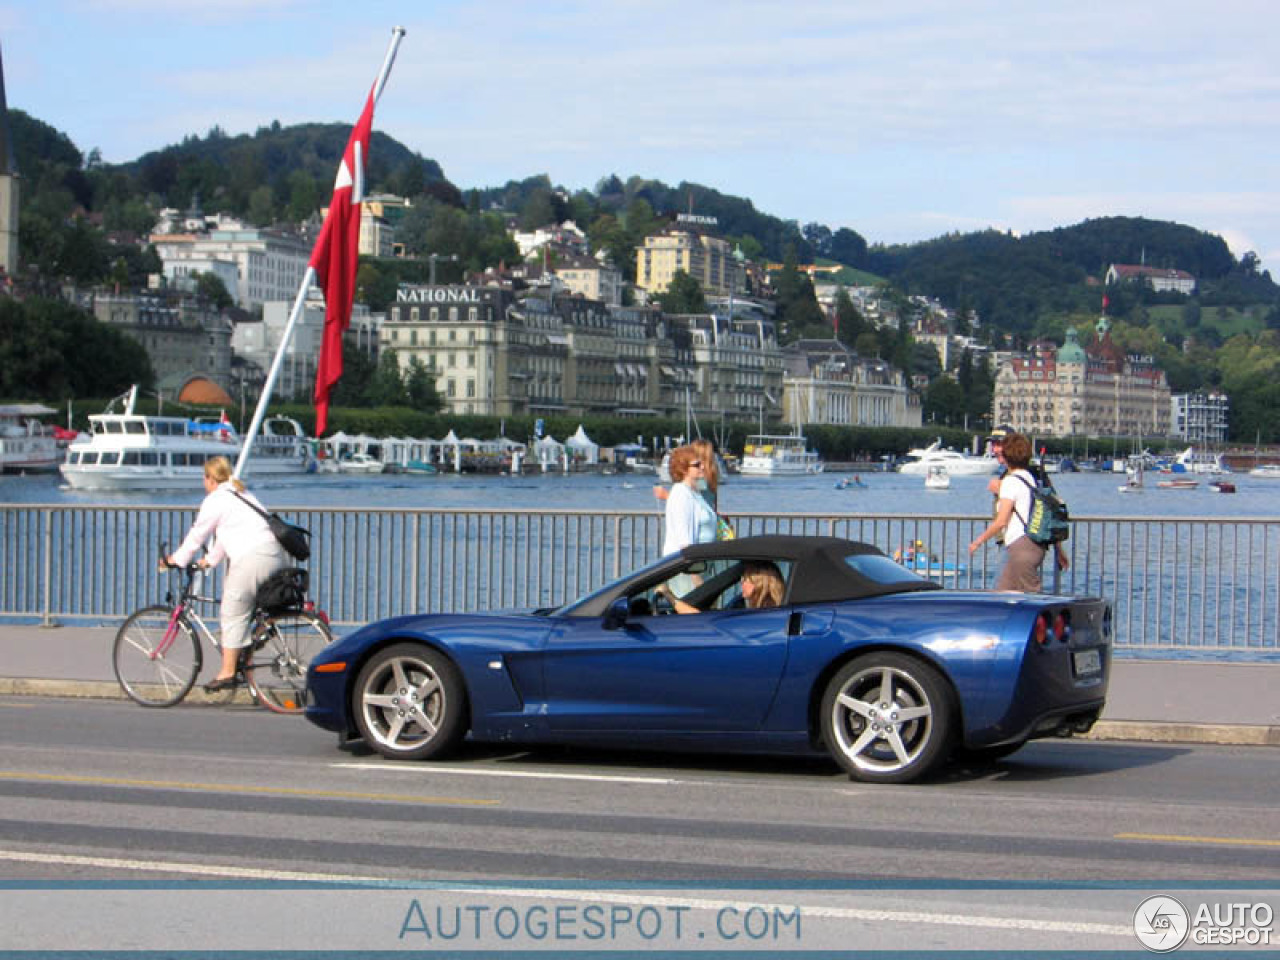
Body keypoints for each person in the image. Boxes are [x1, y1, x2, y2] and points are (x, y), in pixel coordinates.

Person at [164, 456, 289, 691]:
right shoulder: (241, 493)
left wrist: (176, 560)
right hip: (276, 555)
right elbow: (226, 535)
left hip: (254, 558)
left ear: (210, 479)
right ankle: (255, 641)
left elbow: (197, 534)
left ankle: (227, 672)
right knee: (251, 607)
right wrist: (209, 561)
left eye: (204, 477)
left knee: (232, 611)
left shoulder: (216, 500)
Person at [969, 432, 1066, 591]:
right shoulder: (1029, 477)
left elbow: (1001, 521)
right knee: (1003, 593)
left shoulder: (1010, 482)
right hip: (1035, 544)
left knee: (1029, 596)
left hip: (1021, 546)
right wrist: (1058, 549)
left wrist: (978, 541)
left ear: (1006, 456)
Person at [661, 443, 718, 556]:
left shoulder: (696, 492)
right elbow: (684, 539)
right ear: (684, 469)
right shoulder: (680, 493)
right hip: (688, 567)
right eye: (697, 465)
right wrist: (693, 572)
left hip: (702, 562)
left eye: (701, 463)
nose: (702, 467)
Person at [673, 560, 784, 613]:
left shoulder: (757, 614)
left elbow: (697, 618)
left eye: (745, 580)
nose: (741, 583)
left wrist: (670, 596)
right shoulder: (775, 610)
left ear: (759, 584)